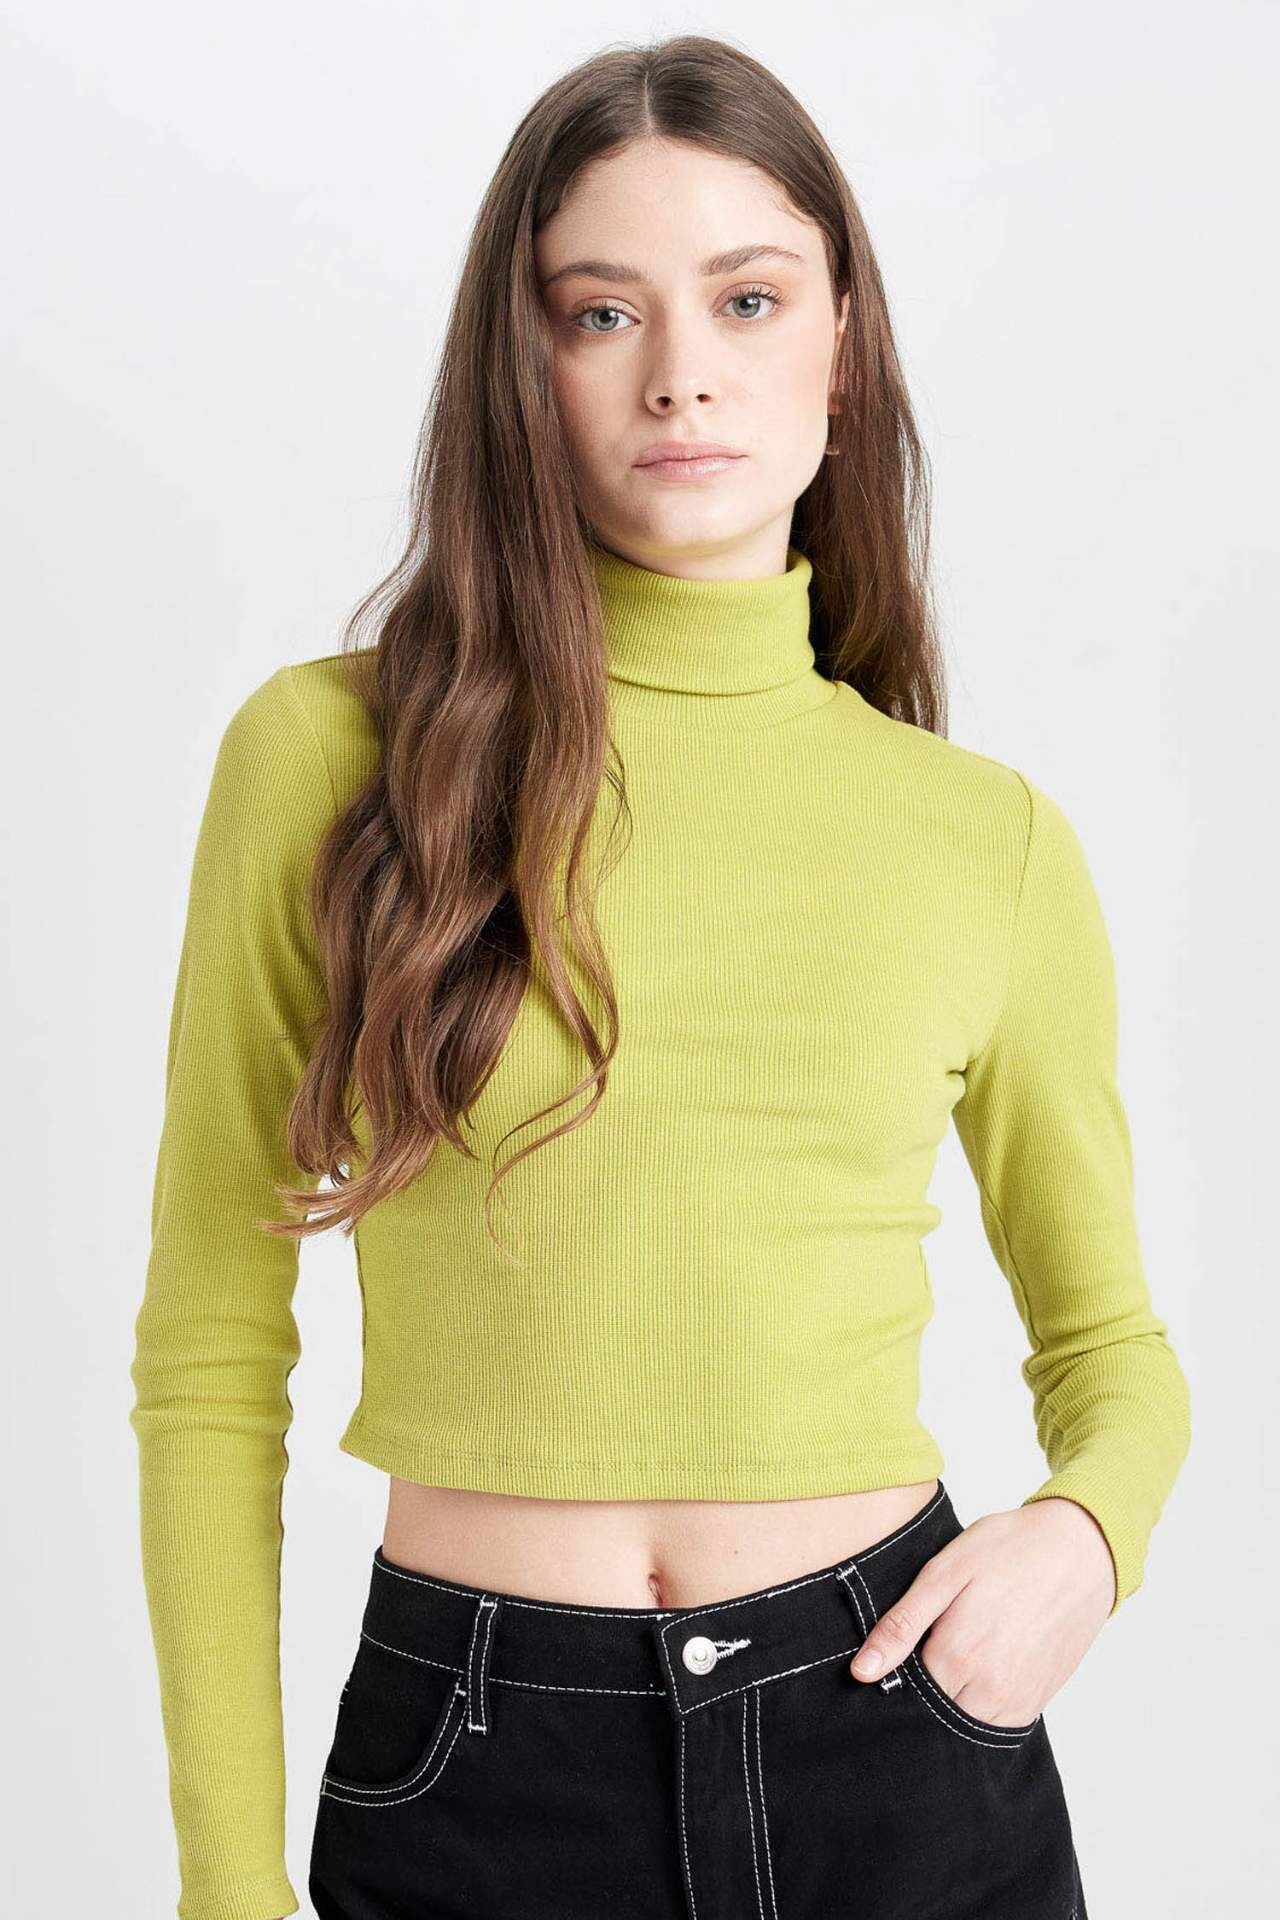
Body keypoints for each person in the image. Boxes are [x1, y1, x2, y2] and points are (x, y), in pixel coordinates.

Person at [127, 33, 1191, 1920]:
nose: (681, 372)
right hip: (474, 1767)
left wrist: (1083, 1541)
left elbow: (1114, 1353)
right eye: (600, 311)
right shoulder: (332, 759)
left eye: (748, 299)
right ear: (520, 367)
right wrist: (225, 1885)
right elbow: (212, 1353)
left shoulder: (985, 839)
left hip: (902, 1734)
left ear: (841, 348)